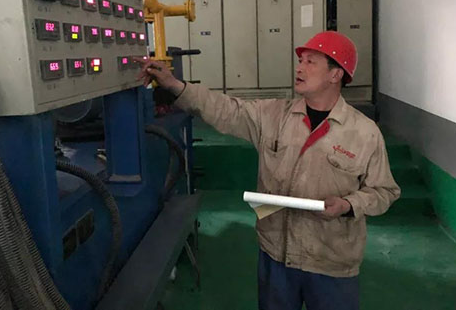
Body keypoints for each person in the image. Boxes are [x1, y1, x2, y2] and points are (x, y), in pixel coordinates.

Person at [136, 31, 401, 310]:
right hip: (276, 256)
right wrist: (174, 85)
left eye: (311, 62)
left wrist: (348, 205)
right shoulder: (274, 116)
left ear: (336, 74)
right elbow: (226, 109)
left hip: (331, 262)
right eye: (300, 60)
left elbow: (385, 191)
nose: (299, 68)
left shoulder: (364, 133)